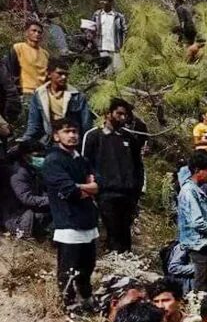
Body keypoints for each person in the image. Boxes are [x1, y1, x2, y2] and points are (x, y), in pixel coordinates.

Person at [44, 118, 100, 309]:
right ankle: (67, 306)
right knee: (67, 269)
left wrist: (83, 188)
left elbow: (98, 185)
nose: (72, 135)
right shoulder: (53, 161)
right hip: (68, 222)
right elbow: (69, 191)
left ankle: (86, 300)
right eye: (67, 131)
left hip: (88, 221)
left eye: (74, 131)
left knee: (87, 266)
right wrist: (85, 188)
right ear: (56, 135)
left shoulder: (82, 159)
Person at [81, 98, 142, 253]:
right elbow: (84, 165)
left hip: (128, 194)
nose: (122, 118)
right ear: (108, 114)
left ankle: (126, 267)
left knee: (125, 233)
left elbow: (138, 167)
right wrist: (92, 191)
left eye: (125, 115)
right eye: (119, 113)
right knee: (112, 231)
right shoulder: (94, 136)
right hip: (105, 193)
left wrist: (137, 190)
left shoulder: (130, 138)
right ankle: (114, 265)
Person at [177, 151, 207, 291]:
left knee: (203, 281)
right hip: (197, 246)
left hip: (203, 245)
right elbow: (197, 222)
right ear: (197, 170)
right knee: (199, 286)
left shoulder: (198, 190)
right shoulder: (189, 191)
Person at [24, 57, 94, 144]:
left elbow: (86, 125)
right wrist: (25, 141)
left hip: (71, 142)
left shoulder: (77, 96)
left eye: (66, 74)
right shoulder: (39, 96)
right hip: (48, 142)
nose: (64, 77)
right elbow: (34, 124)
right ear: (49, 74)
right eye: (60, 73)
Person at [2, 139, 49, 238]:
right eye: (37, 156)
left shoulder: (33, 170)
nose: (41, 159)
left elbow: (42, 190)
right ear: (25, 156)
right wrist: (53, 200)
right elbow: (27, 199)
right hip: (17, 216)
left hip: (28, 211)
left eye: (43, 156)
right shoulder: (18, 174)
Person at [5, 20, 48, 106]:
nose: (37, 34)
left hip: (43, 94)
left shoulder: (45, 54)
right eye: (34, 30)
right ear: (26, 33)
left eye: (39, 32)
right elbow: (11, 71)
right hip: (26, 93)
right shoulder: (18, 48)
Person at [91, 0, 127, 73]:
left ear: (111, 2)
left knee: (119, 70)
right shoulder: (97, 15)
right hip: (102, 47)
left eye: (105, 0)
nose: (102, 2)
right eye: (101, 0)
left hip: (116, 47)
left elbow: (125, 31)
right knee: (106, 71)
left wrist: (123, 45)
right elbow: (92, 29)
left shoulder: (119, 16)